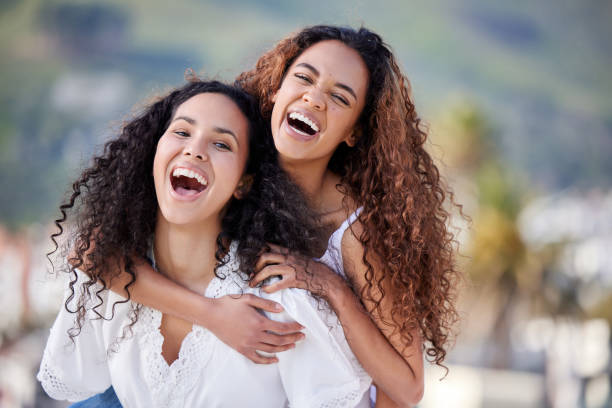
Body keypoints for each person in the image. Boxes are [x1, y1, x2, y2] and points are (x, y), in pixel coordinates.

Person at [80, 25, 461, 407]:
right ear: (278, 87)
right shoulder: (228, 146)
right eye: (304, 78)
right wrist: (213, 316)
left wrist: (332, 287)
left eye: (339, 98)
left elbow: (408, 388)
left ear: (354, 132)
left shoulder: (357, 231)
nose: (314, 99)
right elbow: (91, 254)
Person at [37, 79, 372, 407]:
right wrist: (211, 315)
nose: (194, 150)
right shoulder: (110, 280)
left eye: (222, 144)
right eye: (182, 132)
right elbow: (79, 384)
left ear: (244, 182)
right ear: (153, 152)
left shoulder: (278, 303)